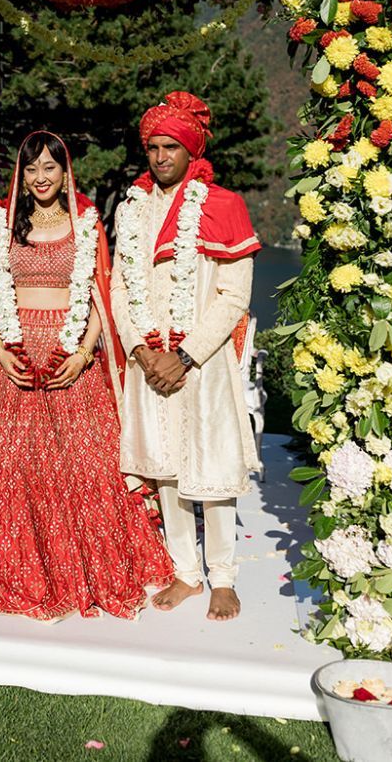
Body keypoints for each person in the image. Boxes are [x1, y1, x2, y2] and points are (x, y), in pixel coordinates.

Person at [0, 130, 173, 621]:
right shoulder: (4, 224)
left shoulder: (86, 222)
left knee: (87, 468)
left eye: (50, 167)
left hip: (72, 358)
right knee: (10, 467)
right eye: (32, 169)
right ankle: (16, 568)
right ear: (21, 176)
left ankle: (86, 568)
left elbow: (99, 296)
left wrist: (85, 350)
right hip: (17, 357)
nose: (42, 177)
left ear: (65, 172)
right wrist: (0, 351)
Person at [110, 92, 261, 622]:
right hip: (148, 364)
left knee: (211, 469)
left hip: (204, 362)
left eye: (170, 146)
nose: (160, 156)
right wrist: (140, 349)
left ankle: (222, 577)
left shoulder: (223, 205)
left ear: (190, 150)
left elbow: (234, 297)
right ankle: (186, 573)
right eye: (152, 146)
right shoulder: (131, 208)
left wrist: (187, 355)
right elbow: (118, 289)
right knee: (168, 470)